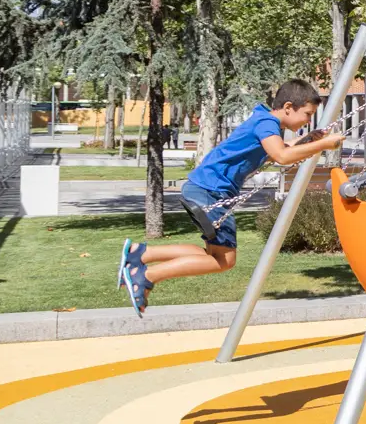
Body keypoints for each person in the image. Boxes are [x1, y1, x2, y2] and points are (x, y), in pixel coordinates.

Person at [118, 80, 343, 315]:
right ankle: (146, 275)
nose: (308, 121)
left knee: (213, 256)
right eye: (307, 114)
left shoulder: (264, 121)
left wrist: (309, 141)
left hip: (202, 189)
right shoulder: (268, 123)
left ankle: (140, 254)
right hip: (211, 192)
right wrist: (324, 145)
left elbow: (279, 150)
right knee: (224, 261)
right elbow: (282, 155)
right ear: (288, 107)